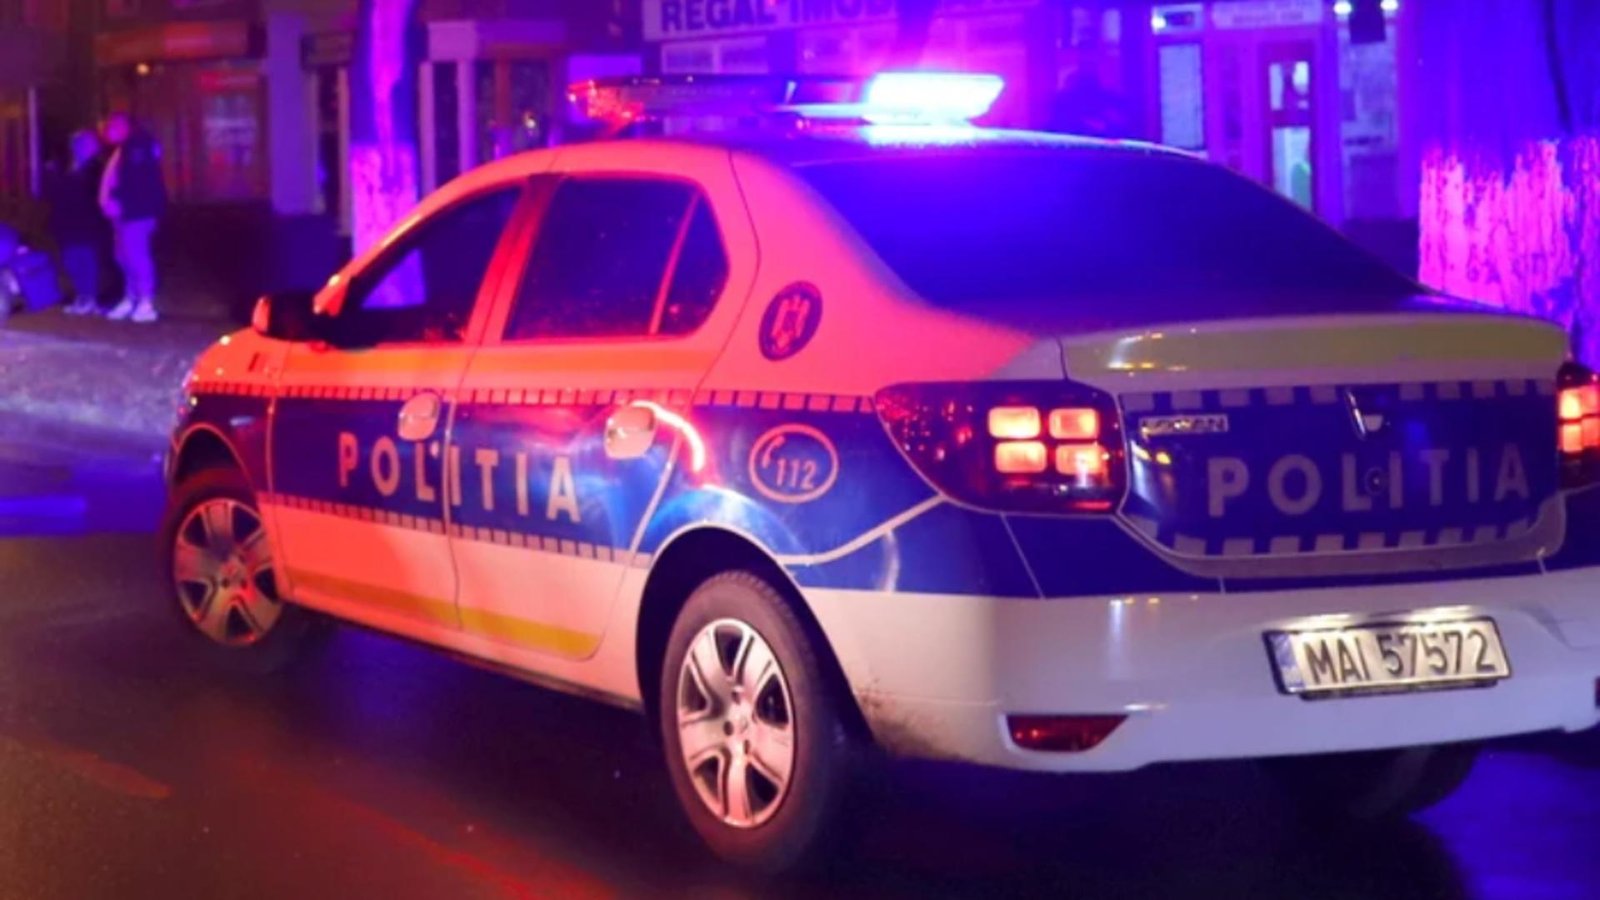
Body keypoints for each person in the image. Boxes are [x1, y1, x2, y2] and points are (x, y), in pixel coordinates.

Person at [98, 112, 168, 324]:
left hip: (135, 212)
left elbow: (137, 181)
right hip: (125, 213)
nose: (108, 131)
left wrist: (119, 200)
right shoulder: (124, 149)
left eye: (112, 126)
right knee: (124, 255)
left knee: (136, 254)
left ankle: (145, 301)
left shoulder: (137, 147)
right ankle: (131, 297)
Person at [44, 129, 110, 316]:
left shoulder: (97, 169)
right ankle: (82, 296)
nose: (80, 147)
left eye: (85, 143)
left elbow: (95, 193)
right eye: (77, 143)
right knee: (70, 260)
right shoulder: (65, 166)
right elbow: (55, 192)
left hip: (87, 221)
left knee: (87, 260)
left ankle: (90, 298)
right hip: (66, 221)